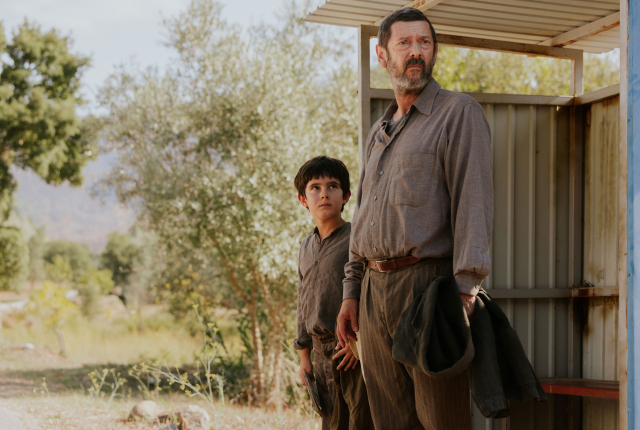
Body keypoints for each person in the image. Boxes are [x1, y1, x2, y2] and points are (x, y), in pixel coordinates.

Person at [335, 7, 493, 430]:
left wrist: (466, 290)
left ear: (434, 51)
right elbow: (363, 215)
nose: (416, 52)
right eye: (404, 43)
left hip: (429, 289)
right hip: (373, 292)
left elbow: (473, 202)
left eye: (424, 42)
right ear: (383, 55)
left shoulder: (459, 113)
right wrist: (351, 293)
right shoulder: (379, 131)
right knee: (389, 421)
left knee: (442, 421)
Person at [294, 156, 373, 430]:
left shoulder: (356, 240)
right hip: (319, 354)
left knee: (357, 421)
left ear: (346, 196)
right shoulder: (306, 247)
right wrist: (304, 357)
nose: (324, 194)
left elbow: (370, 292)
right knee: (329, 421)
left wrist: (358, 344)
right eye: (315, 188)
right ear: (303, 199)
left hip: (349, 352)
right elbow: (302, 302)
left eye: (333, 186)